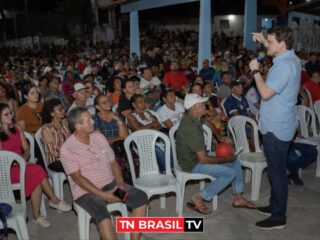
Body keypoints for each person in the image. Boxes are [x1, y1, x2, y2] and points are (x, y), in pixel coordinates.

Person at [60, 107, 148, 240]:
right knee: (102, 214)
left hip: (110, 185)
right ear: (78, 126)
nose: (93, 122)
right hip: (86, 192)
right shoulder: (67, 149)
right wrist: (103, 195)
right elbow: (78, 178)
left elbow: (113, 163)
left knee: (140, 198)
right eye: (88, 120)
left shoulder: (99, 137)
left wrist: (119, 184)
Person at [249, 26, 301, 229]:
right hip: (277, 123)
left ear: (282, 43)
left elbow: (266, 93)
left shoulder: (285, 66)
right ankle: (274, 206)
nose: (267, 45)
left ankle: (278, 217)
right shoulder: (288, 58)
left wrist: (255, 70)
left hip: (276, 127)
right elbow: (274, 46)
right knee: (274, 171)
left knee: (277, 173)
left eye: (270, 42)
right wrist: (264, 39)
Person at [176, 94, 255, 214]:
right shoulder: (192, 129)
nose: (205, 106)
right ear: (193, 108)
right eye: (202, 104)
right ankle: (199, 197)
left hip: (196, 157)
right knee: (229, 173)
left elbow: (208, 123)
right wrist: (226, 158)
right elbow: (203, 160)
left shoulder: (193, 116)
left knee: (234, 161)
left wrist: (219, 137)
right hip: (191, 164)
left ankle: (238, 198)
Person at [0, 103, 71, 227]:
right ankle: (53, 200)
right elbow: (2, 158)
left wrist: (23, 160)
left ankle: (37, 216)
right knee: (37, 170)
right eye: (6, 114)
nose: (10, 116)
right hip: (6, 170)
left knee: (36, 179)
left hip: (22, 164)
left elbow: (26, 148)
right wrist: (19, 162)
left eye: (11, 113)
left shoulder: (16, 128)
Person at [41, 98, 71, 172]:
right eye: (60, 110)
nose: (63, 111)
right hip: (55, 161)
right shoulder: (46, 129)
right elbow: (54, 152)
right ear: (52, 113)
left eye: (62, 108)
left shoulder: (65, 123)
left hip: (69, 156)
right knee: (76, 164)